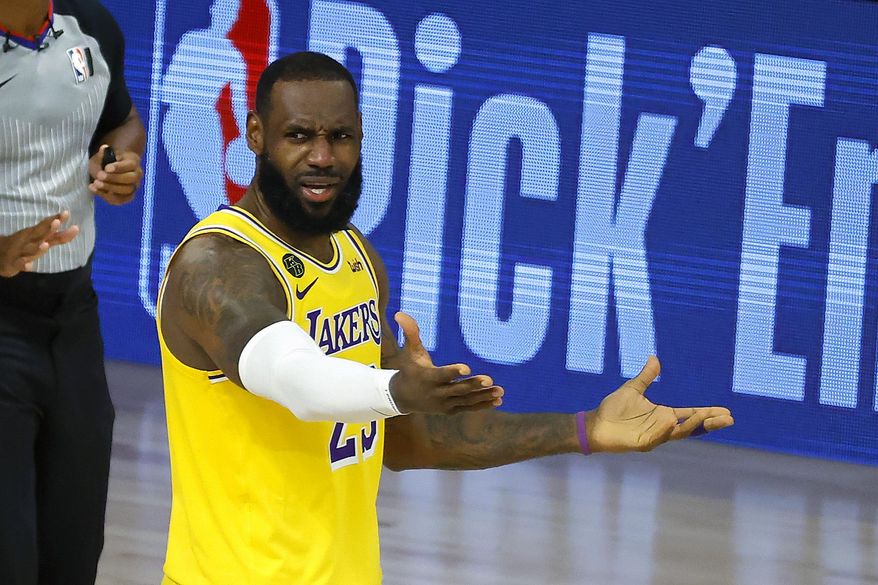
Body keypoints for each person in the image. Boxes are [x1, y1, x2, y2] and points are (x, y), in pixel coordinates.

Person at [156, 51, 734, 585]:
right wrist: (397, 387)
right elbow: (296, 379)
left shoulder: (356, 259)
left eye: (341, 137)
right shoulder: (215, 266)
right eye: (298, 136)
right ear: (255, 135)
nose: (322, 157)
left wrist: (583, 430)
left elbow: (406, 441)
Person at [0, 0, 145, 583]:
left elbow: (122, 118)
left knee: (75, 552)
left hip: (74, 322)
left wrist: (120, 158)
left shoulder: (93, 25)